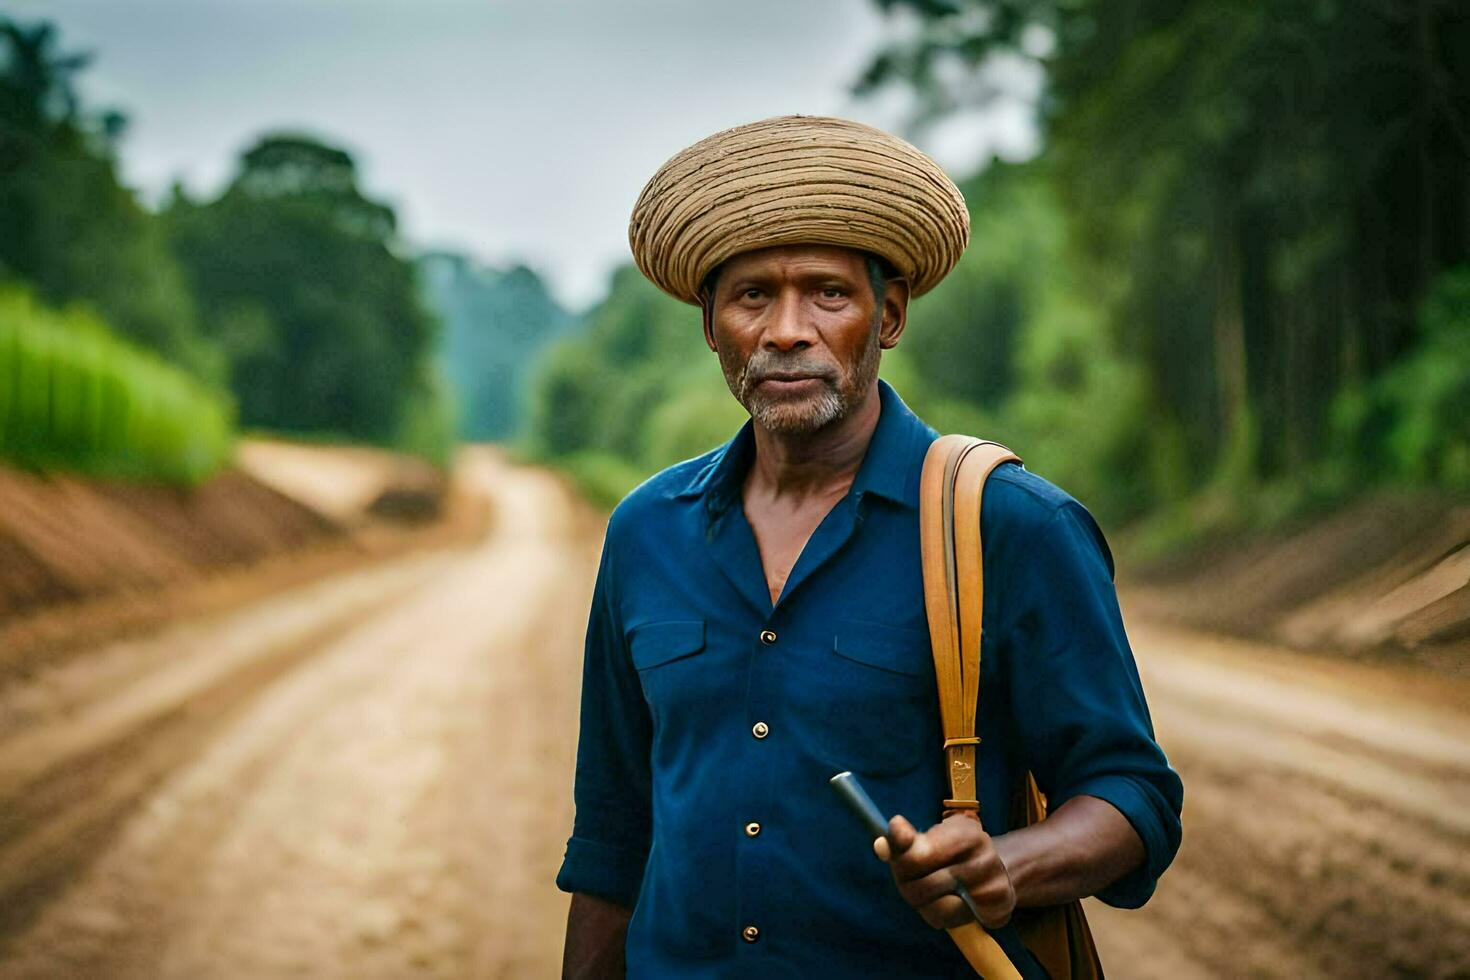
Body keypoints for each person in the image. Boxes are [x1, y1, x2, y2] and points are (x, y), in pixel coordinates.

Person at [556, 115, 1182, 979]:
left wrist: (1005, 865)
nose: (786, 330)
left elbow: (1133, 795)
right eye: (750, 297)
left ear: (887, 317)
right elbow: (612, 840)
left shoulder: (1011, 526)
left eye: (828, 293)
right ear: (711, 326)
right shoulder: (645, 532)